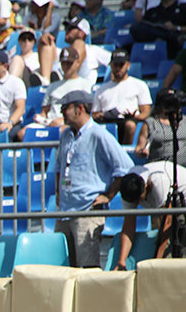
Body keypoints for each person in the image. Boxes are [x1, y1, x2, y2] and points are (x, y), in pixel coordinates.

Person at [54, 90, 134, 267]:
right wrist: (58, 191)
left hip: (87, 212)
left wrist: (109, 195)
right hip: (65, 211)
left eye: (65, 108)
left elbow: (125, 167)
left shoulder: (99, 134)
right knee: (62, 269)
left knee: (87, 268)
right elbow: (59, 166)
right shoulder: (66, 135)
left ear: (79, 109)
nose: (62, 112)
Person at [116, 162, 186, 266]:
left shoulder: (159, 182)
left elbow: (166, 223)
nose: (137, 203)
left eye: (139, 199)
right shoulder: (128, 190)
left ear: (146, 186)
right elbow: (128, 226)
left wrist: (156, 261)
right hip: (174, 206)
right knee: (167, 263)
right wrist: (121, 261)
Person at [91, 48, 152, 144]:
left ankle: (124, 151)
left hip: (130, 120)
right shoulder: (101, 90)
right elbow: (94, 114)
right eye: (115, 65)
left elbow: (146, 112)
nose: (118, 68)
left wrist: (134, 116)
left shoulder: (139, 85)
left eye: (121, 65)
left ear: (128, 65)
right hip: (108, 121)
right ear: (111, 66)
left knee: (130, 125)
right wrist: (101, 115)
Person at [135, 89, 186, 164]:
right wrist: (142, 152)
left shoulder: (184, 120)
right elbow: (138, 149)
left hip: (185, 167)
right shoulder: (150, 122)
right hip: (159, 166)